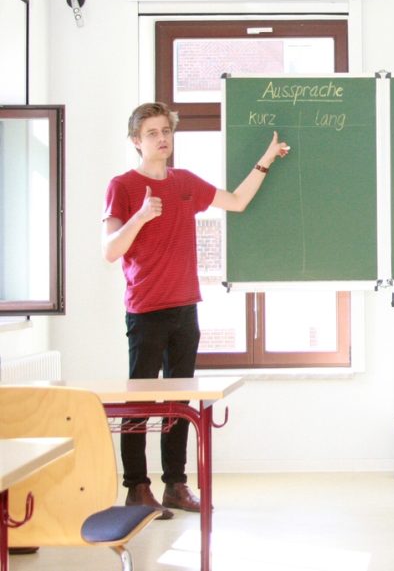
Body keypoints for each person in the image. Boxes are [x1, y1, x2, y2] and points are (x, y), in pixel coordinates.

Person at [102, 102, 289, 518]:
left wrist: (266, 159)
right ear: (136, 141)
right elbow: (110, 251)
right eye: (151, 132)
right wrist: (141, 217)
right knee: (139, 405)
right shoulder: (123, 186)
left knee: (179, 403)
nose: (162, 138)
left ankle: (175, 485)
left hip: (186, 309)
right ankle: (136, 488)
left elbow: (237, 201)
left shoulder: (185, 183)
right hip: (145, 310)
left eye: (166, 130)